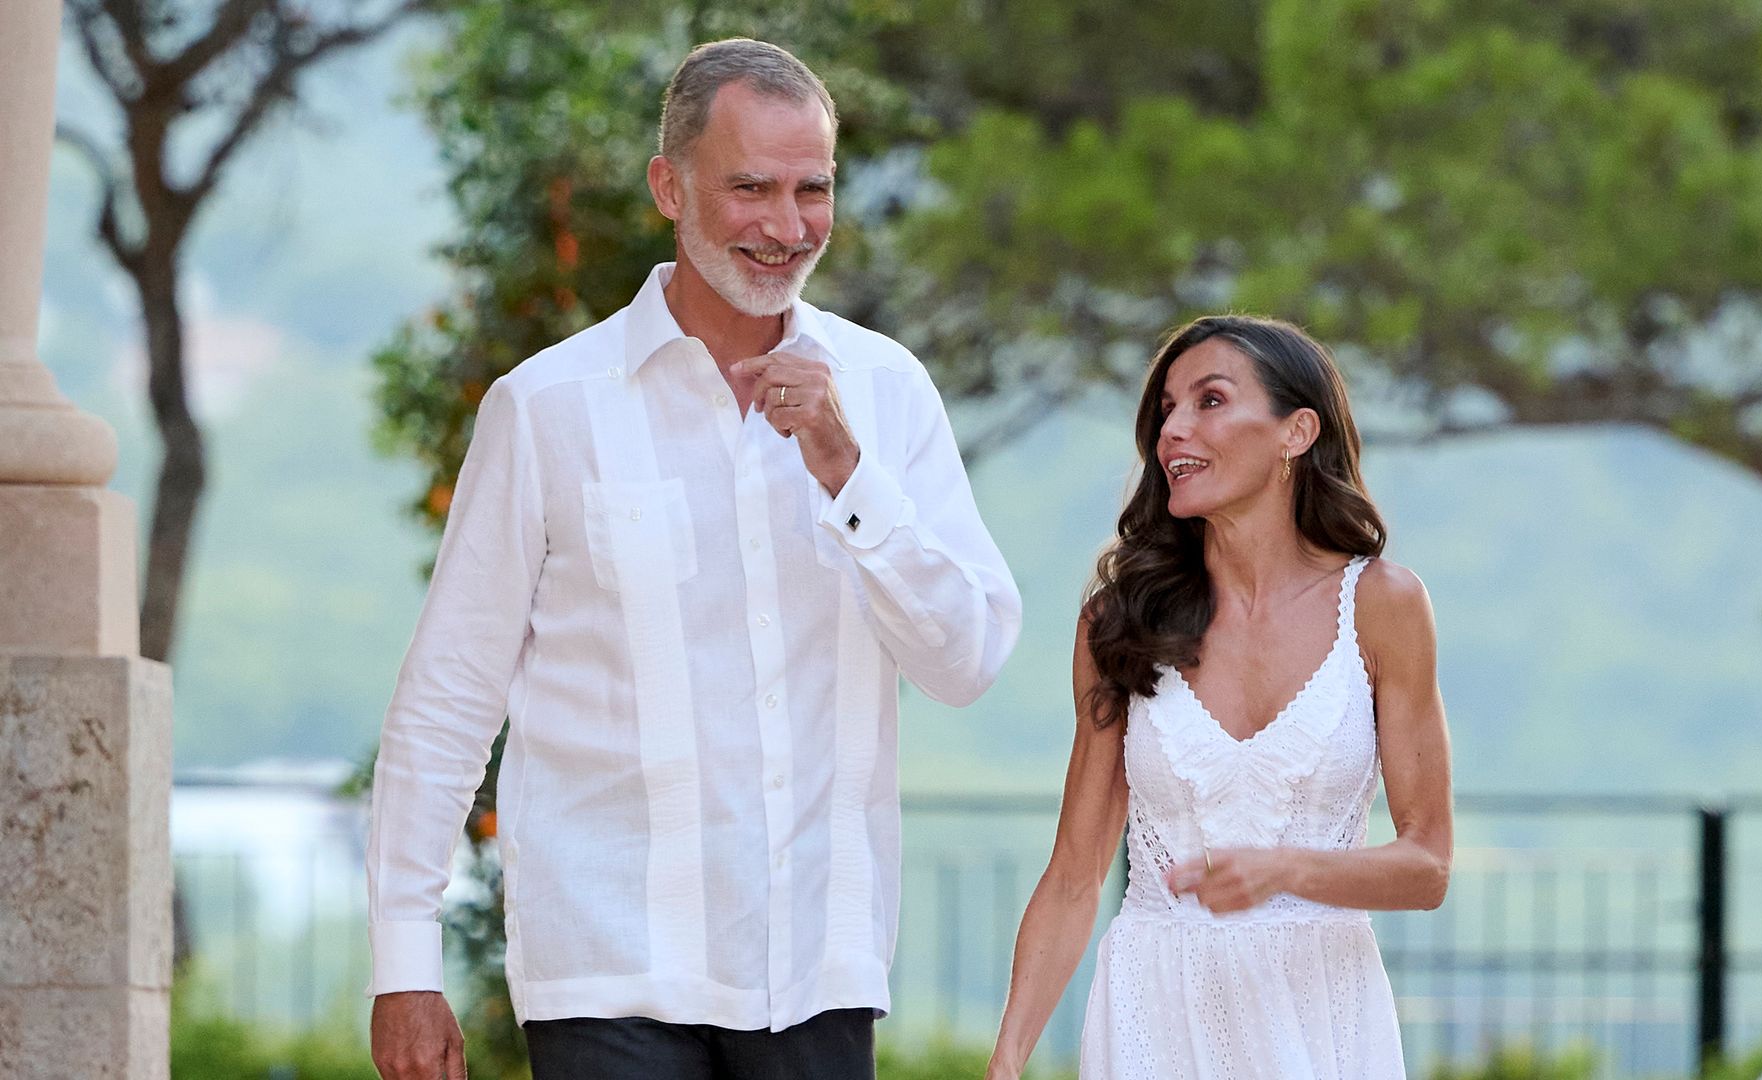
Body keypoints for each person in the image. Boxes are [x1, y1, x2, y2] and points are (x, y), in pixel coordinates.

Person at [364, 38, 1021, 1080]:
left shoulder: (886, 393)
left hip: (819, 960)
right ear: (669, 186)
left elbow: (967, 658)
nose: (787, 225)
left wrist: (848, 472)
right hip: (608, 963)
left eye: (814, 189)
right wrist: (403, 962)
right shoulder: (545, 409)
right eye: (751, 187)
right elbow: (448, 697)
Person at [984, 316, 1451, 1079]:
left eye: (1209, 401)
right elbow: (1074, 875)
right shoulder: (1118, 620)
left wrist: (1286, 870)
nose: (1173, 430)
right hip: (1153, 1012)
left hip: (1321, 1016)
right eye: (1166, 408)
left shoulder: (1384, 606)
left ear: (1296, 431)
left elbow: (1426, 866)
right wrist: (1007, 1060)